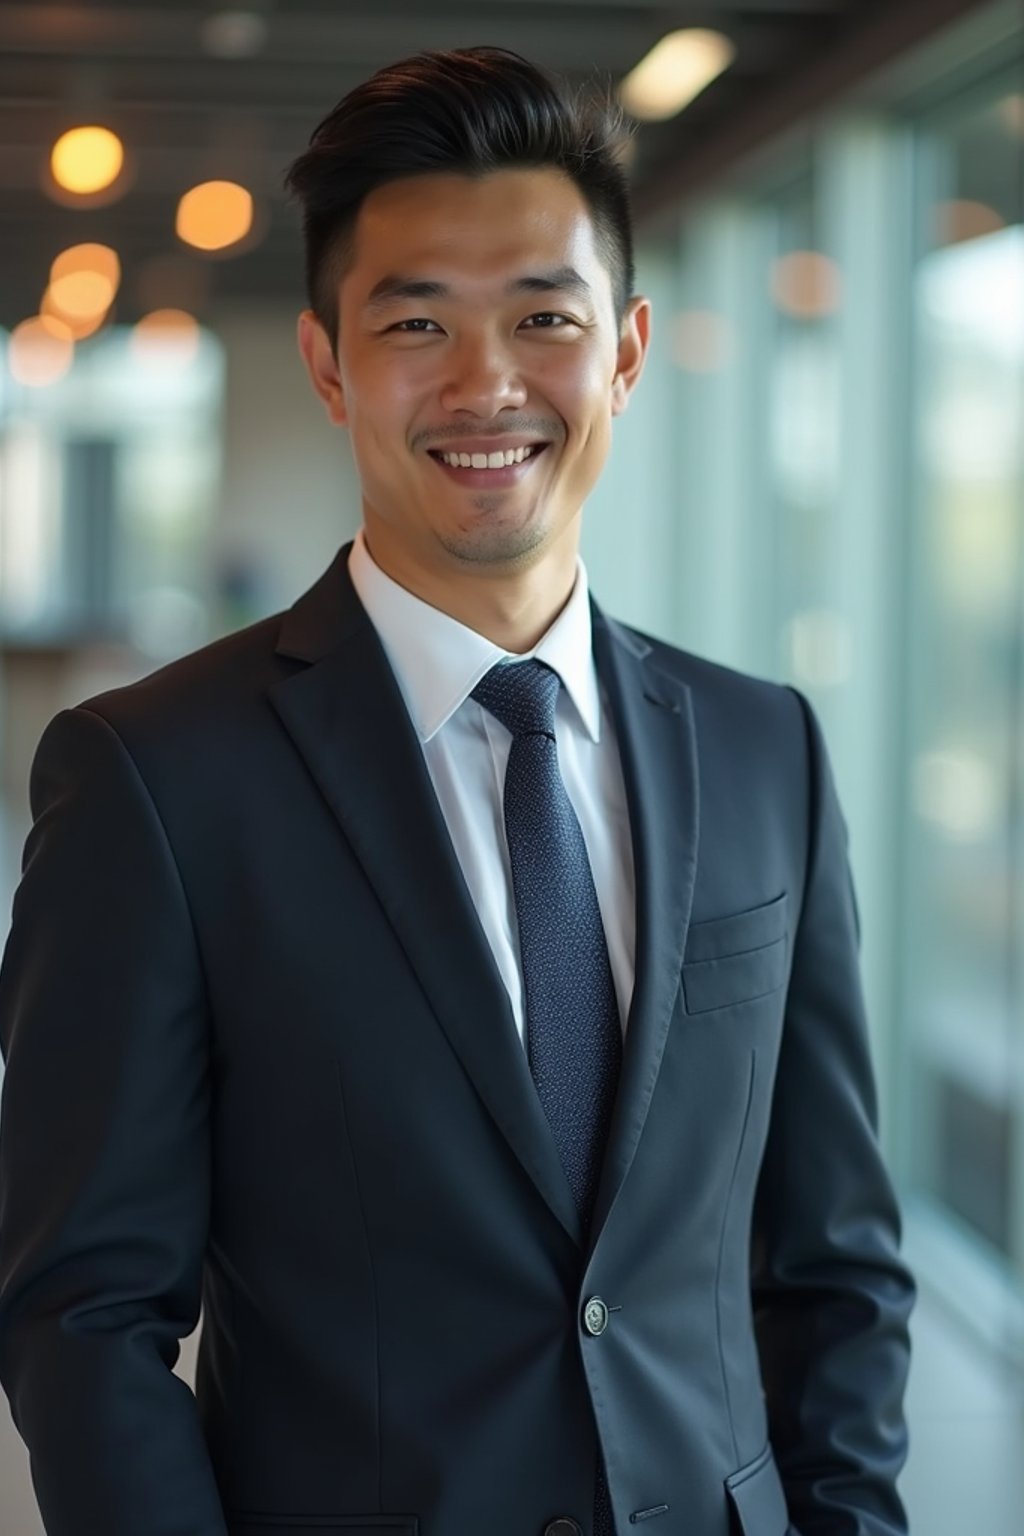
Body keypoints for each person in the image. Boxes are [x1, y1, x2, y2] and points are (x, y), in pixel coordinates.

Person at [0, 45, 913, 1536]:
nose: (487, 383)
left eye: (543, 318)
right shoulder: (155, 779)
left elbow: (833, 1263)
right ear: (327, 362)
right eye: (416, 319)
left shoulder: (767, 751)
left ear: (623, 350)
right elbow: (85, 1314)